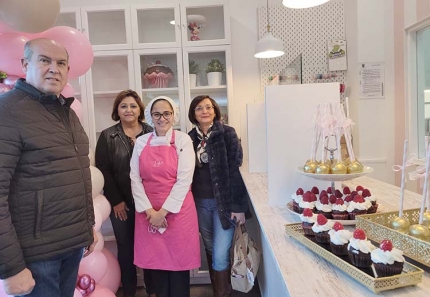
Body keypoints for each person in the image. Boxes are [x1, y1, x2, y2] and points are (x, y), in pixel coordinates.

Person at [0, 38, 96, 297]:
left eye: (61, 63)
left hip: (71, 245)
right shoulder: (6, 111)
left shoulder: (67, 112)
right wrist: (10, 268)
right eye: (45, 60)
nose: (54, 68)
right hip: (36, 256)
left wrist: (87, 227)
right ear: (25, 64)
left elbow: (79, 175)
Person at [130, 96, 200, 297]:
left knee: (178, 266)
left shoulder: (182, 140)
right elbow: (134, 178)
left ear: (173, 115)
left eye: (166, 113)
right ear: (150, 116)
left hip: (178, 212)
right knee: (156, 265)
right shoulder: (142, 142)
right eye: (157, 114)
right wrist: (150, 211)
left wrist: (163, 212)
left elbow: (184, 180)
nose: (162, 118)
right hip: (148, 211)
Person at [95, 89, 154, 297]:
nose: (128, 110)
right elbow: (104, 171)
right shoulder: (107, 136)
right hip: (122, 204)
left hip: (150, 203)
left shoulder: (152, 132)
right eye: (123, 106)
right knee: (126, 249)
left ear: (140, 110)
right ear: (117, 111)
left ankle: (153, 290)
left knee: (150, 248)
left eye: (133, 106)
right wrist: (117, 201)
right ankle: (129, 291)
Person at [188, 95, 249, 297]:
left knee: (220, 254)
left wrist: (238, 205)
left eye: (208, 107)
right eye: (199, 108)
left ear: (215, 110)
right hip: (199, 203)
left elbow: (235, 170)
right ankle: (218, 291)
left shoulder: (227, 134)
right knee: (211, 249)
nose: (204, 111)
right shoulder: (189, 138)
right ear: (193, 114)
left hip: (224, 203)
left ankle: (222, 293)